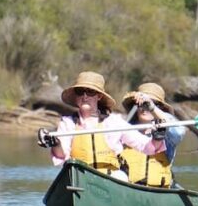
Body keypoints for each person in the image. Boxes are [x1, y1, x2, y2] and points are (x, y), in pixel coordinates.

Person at [36, 71, 164, 181]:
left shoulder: (114, 122)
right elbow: (61, 155)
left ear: (99, 96)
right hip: (80, 178)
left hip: (111, 179)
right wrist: (55, 144)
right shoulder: (68, 123)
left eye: (90, 92)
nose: (85, 96)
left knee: (121, 177)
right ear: (76, 97)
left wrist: (157, 138)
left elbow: (147, 147)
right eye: (80, 92)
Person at [118, 82, 186, 187]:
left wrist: (152, 108)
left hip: (158, 192)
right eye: (141, 104)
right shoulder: (124, 130)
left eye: (149, 104)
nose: (145, 108)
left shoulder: (167, 133)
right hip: (127, 189)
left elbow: (179, 132)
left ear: (159, 108)